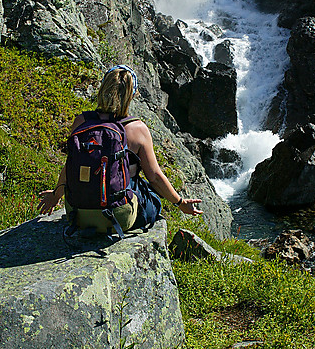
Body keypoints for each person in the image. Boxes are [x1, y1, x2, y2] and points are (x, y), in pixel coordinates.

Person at [38, 65, 203, 233]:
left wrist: (55, 196)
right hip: (119, 216)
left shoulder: (81, 122)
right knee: (153, 198)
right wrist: (180, 202)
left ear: (102, 88)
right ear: (131, 95)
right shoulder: (137, 129)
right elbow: (154, 177)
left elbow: (70, 165)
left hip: (77, 214)